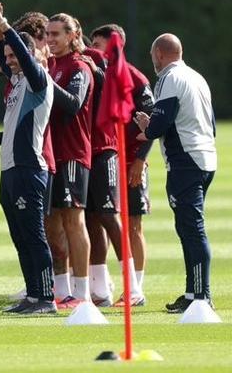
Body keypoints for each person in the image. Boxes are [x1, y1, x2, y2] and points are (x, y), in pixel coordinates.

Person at [0, 0, 56, 314]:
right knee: (20, 237)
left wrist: (4, 25)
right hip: (10, 169)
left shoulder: (38, 79)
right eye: (8, 55)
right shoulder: (17, 81)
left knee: (34, 236)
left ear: (28, 54)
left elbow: (21, 54)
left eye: (15, 55)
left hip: (29, 168)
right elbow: (0, 53)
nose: (8, 60)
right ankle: (33, 296)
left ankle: (46, 298)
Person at [135, 33, 216, 313]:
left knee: (192, 229)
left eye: (152, 56)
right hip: (205, 157)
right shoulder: (197, 77)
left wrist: (147, 126)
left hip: (186, 161)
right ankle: (193, 292)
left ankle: (201, 296)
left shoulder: (169, 78)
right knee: (188, 227)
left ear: (159, 54)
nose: (153, 61)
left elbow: (159, 125)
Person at [90, 23, 154, 306]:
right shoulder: (99, 75)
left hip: (130, 161)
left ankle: (135, 290)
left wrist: (140, 160)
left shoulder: (134, 78)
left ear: (115, 45)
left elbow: (152, 121)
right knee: (102, 221)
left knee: (133, 225)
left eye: (98, 45)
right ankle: (104, 284)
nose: (93, 50)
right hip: (107, 160)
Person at [45, 13, 94, 307]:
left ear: (72, 36)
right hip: (51, 154)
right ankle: (61, 289)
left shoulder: (79, 67)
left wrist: (43, 79)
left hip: (73, 153)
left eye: (56, 34)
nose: (50, 39)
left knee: (74, 221)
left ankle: (83, 292)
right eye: (48, 34)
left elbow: (73, 104)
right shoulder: (51, 66)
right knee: (51, 222)